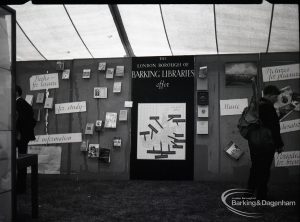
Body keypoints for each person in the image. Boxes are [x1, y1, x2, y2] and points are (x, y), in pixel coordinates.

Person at [247, 85, 284, 200]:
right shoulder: (268, 107)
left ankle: (249, 193)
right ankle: (261, 196)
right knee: (264, 170)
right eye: (275, 97)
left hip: (254, 143)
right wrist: (279, 145)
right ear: (270, 95)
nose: (276, 100)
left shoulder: (257, 105)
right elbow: (274, 128)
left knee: (255, 168)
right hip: (266, 144)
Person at [16, 85, 36, 193]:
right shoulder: (24, 103)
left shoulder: (18, 103)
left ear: (16, 92)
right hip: (22, 136)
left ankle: (20, 186)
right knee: (21, 159)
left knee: (20, 160)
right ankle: (20, 185)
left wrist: (19, 133)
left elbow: (19, 120)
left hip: (19, 136)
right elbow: (32, 120)